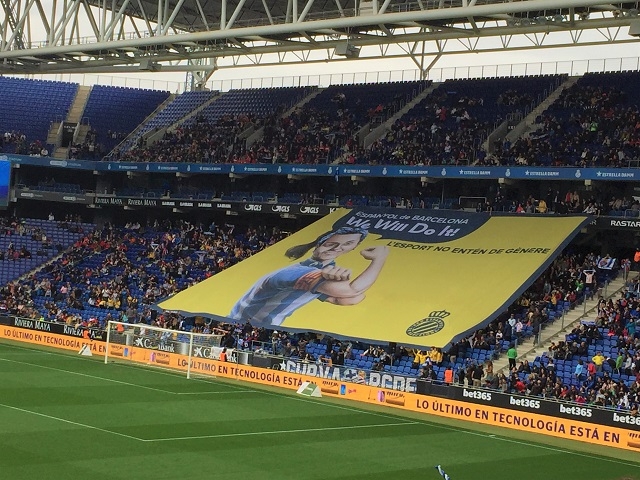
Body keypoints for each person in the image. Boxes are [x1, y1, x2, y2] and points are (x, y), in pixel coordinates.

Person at [229, 226, 388, 327]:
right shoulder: (297, 271)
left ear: (353, 247)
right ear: (320, 243)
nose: (337, 248)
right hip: (246, 324)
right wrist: (379, 259)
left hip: (262, 326)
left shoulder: (327, 270)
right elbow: (352, 291)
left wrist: (342, 286)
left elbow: (344, 299)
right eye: (331, 244)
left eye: (347, 244)